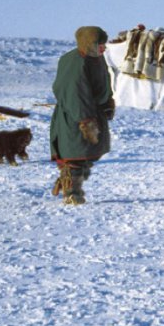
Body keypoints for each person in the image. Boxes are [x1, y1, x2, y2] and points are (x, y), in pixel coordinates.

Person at [50, 26, 115, 205]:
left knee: (89, 153)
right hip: (76, 115)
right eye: (99, 45)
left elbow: (104, 81)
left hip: (92, 111)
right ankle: (72, 192)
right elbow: (74, 93)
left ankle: (67, 180)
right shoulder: (75, 63)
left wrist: (107, 102)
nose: (103, 48)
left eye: (103, 45)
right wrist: (85, 120)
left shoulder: (96, 58)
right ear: (89, 44)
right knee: (75, 155)